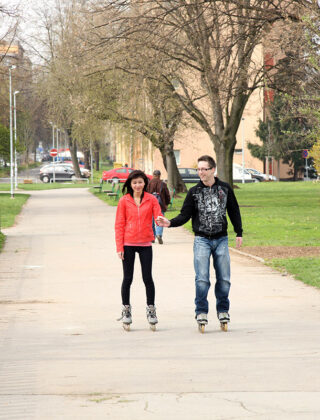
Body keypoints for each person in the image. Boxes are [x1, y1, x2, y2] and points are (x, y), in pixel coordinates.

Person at [157, 155, 243, 331]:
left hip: (221, 239)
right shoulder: (194, 192)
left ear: (213, 170)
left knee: (224, 279)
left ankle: (223, 310)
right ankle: (201, 311)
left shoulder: (225, 189)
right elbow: (185, 215)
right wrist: (170, 223)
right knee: (202, 279)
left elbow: (234, 210)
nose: (201, 172)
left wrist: (239, 232)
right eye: (199, 169)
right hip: (202, 239)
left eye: (204, 169)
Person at [115, 170, 163, 330]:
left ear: (145, 183)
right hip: (128, 243)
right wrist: (119, 247)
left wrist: (161, 220)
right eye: (134, 182)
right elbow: (119, 224)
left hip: (145, 244)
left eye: (140, 182)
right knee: (127, 278)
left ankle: (151, 310)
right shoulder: (124, 201)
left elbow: (158, 215)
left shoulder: (151, 199)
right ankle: (126, 310)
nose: (137, 185)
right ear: (130, 184)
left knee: (147, 278)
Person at [146, 169, 171, 244]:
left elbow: (145, 194)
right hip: (160, 205)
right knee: (160, 220)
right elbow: (167, 195)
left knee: (151, 221)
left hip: (150, 205)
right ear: (159, 176)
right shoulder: (163, 184)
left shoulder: (149, 183)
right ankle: (159, 234)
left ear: (153, 175)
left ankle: (152, 237)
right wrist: (167, 203)